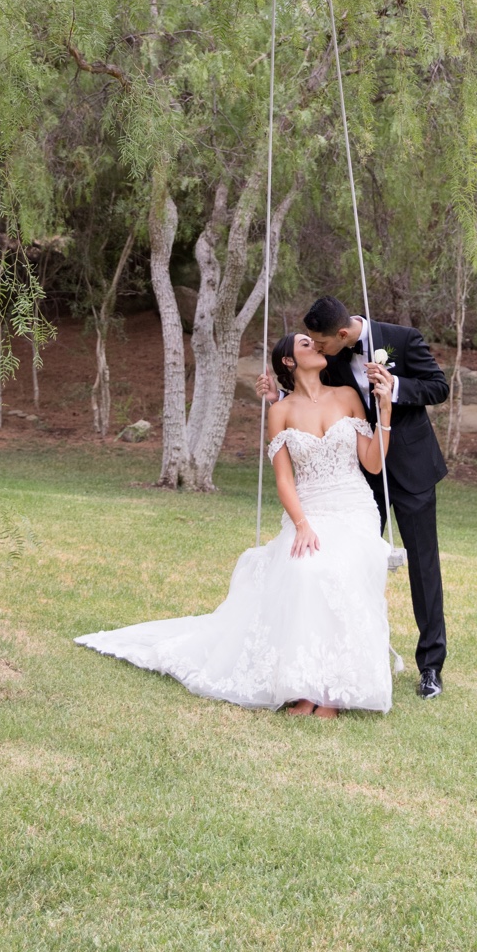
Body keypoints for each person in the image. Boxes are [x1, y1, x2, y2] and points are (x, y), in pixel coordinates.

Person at [75, 332, 395, 715]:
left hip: (354, 507)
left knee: (337, 568)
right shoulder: (280, 411)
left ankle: (331, 692)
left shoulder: (346, 395)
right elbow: (283, 479)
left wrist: (386, 410)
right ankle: (306, 686)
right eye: (306, 344)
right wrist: (302, 524)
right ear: (288, 362)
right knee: (304, 572)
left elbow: (373, 464)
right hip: (309, 509)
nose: (316, 346)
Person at [258, 294, 449, 698]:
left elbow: (438, 387)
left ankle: (430, 666)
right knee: (347, 567)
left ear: (342, 334)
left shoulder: (404, 338)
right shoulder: (334, 356)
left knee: (423, 568)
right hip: (358, 478)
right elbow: (311, 399)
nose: (318, 348)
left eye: (320, 342)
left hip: (412, 469)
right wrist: (276, 399)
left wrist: (394, 386)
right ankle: (350, 661)